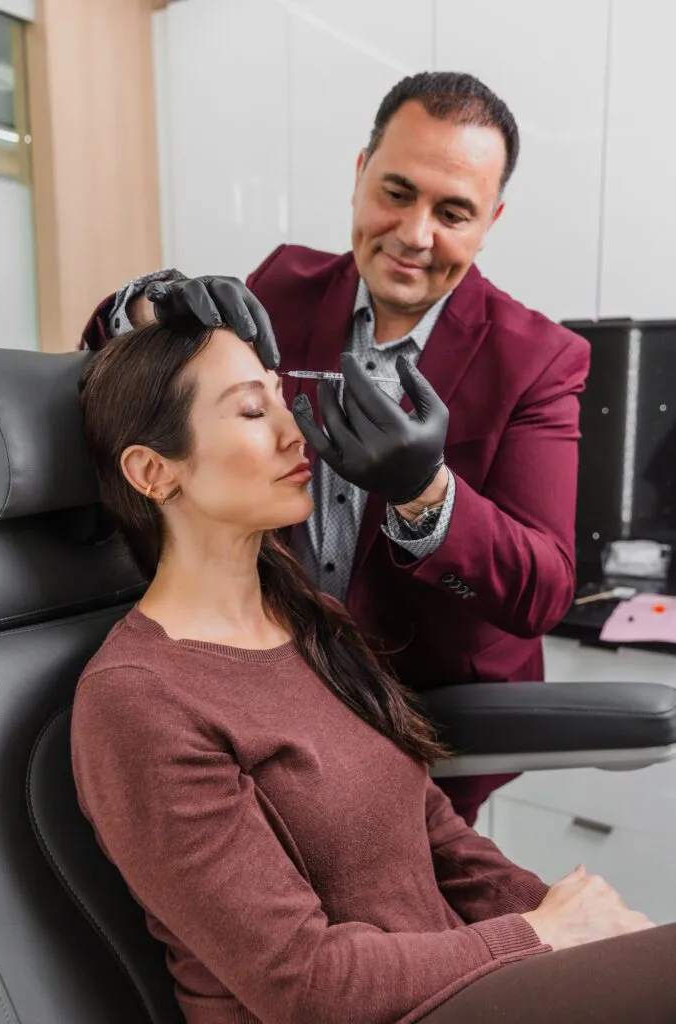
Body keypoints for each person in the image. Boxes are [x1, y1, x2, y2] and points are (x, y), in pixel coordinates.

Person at [72, 317, 675, 1024]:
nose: (295, 432)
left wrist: (580, 927)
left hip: (460, 985)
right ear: (152, 470)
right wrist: (543, 934)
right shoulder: (139, 702)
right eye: (249, 409)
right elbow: (306, 986)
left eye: (279, 397)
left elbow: (438, 836)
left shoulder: (309, 620)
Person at [79, 71, 591, 825]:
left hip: (424, 718)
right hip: (266, 701)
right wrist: (145, 303)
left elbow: (544, 591)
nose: (415, 235)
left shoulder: (538, 360)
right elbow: (117, 378)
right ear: (359, 175)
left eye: (453, 212)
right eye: (396, 192)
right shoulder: (281, 289)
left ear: (492, 220)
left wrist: (428, 495)